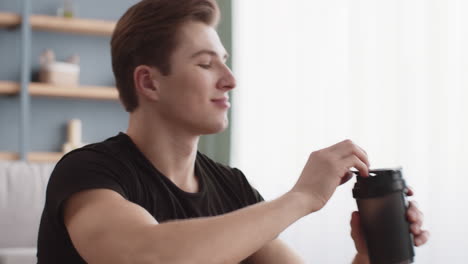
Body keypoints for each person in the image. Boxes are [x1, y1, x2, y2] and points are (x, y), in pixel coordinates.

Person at [36, 0, 429, 263]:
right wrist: (303, 196)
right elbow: (148, 256)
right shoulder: (88, 173)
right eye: (206, 64)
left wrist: (366, 256)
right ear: (149, 83)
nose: (230, 80)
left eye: (224, 62)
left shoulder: (231, 188)